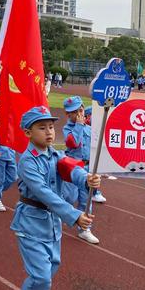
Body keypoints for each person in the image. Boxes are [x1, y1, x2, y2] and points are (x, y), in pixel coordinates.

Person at [8, 106, 101, 290]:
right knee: (41, 277)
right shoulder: (27, 161)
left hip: (51, 224)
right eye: (42, 127)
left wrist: (86, 178)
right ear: (28, 132)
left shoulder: (55, 155)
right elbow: (44, 193)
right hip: (31, 224)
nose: (49, 131)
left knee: (51, 268)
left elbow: (71, 169)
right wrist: (74, 215)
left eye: (51, 127)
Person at [62, 96, 104, 245]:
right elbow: (73, 143)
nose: (77, 114)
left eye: (79, 110)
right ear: (68, 115)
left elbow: (95, 149)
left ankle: (85, 229)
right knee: (68, 197)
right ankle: (59, 218)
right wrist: (79, 125)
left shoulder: (89, 128)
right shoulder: (67, 129)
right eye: (72, 112)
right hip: (72, 167)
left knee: (86, 200)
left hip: (87, 168)